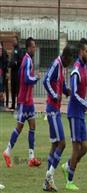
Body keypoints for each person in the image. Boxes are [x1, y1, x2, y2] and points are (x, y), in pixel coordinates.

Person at [2, 37, 42, 168]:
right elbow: (26, 78)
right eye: (34, 47)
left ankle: (31, 158)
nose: (35, 49)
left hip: (27, 100)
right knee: (19, 128)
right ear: (29, 48)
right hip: (25, 101)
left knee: (32, 126)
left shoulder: (26, 59)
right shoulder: (27, 60)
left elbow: (20, 73)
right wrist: (36, 77)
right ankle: (7, 152)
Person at [61, 38, 87, 191]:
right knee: (76, 147)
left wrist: (84, 103)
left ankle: (67, 165)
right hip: (74, 113)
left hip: (81, 113)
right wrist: (84, 103)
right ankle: (69, 181)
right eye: (86, 51)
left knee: (84, 147)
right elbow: (73, 94)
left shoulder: (84, 67)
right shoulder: (76, 70)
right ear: (80, 52)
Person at [42, 46, 73, 192]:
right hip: (52, 110)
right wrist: (55, 95)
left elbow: (60, 83)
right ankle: (49, 175)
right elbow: (46, 80)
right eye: (70, 60)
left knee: (55, 145)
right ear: (66, 57)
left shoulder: (62, 67)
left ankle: (47, 183)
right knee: (62, 143)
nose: (70, 63)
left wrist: (66, 90)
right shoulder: (56, 64)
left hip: (55, 109)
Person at [9, 36, 22, 110]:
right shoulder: (13, 50)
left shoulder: (19, 49)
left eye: (14, 40)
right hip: (13, 73)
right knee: (13, 89)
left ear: (17, 41)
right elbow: (12, 60)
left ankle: (18, 105)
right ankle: (13, 105)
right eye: (12, 40)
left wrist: (16, 63)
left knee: (17, 90)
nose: (13, 42)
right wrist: (11, 63)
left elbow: (20, 59)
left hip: (17, 73)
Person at [0, 42, 8, 109]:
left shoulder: (4, 53)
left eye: (0, 49)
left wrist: (6, 72)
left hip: (1, 75)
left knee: (1, 90)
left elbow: (6, 63)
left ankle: (2, 104)